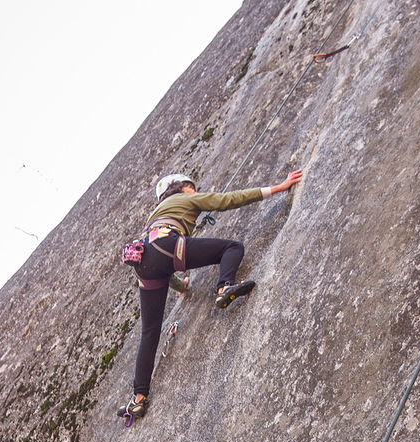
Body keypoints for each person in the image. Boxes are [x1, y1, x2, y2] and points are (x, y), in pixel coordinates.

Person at [121, 170, 303, 421]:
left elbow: (155, 260)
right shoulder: (183, 199)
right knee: (232, 247)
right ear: (182, 188)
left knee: (149, 333)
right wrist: (277, 188)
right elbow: (226, 200)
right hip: (169, 249)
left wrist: (179, 287)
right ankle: (224, 287)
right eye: (191, 186)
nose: (194, 190)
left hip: (144, 264)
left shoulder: (155, 217)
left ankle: (138, 399)